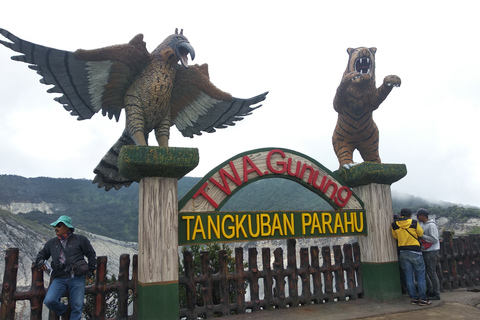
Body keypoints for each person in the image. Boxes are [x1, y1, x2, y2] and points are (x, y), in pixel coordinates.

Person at [35, 215, 97, 320]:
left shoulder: (81, 240)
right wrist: (40, 261)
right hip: (59, 278)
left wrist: (91, 270)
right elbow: (41, 255)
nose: (56, 228)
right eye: (55, 226)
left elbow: (91, 254)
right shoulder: (51, 243)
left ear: (68, 227)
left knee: (77, 307)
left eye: (59, 225)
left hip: (77, 277)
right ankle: (66, 312)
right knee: (49, 300)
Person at [391, 208, 431, 306]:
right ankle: (422, 298)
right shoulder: (414, 223)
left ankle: (413, 298)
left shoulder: (394, 225)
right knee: (421, 276)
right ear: (410, 216)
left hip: (403, 252)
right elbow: (421, 233)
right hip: (416, 252)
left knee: (409, 276)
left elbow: (395, 237)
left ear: (400, 215)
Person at [416, 208, 441, 300]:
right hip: (426, 251)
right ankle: (430, 291)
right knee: (426, 272)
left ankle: (436, 293)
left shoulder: (431, 225)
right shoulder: (424, 225)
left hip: (431, 251)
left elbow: (434, 239)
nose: (417, 218)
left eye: (418, 216)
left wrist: (422, 236)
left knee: (431, 272)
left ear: (422, 216)